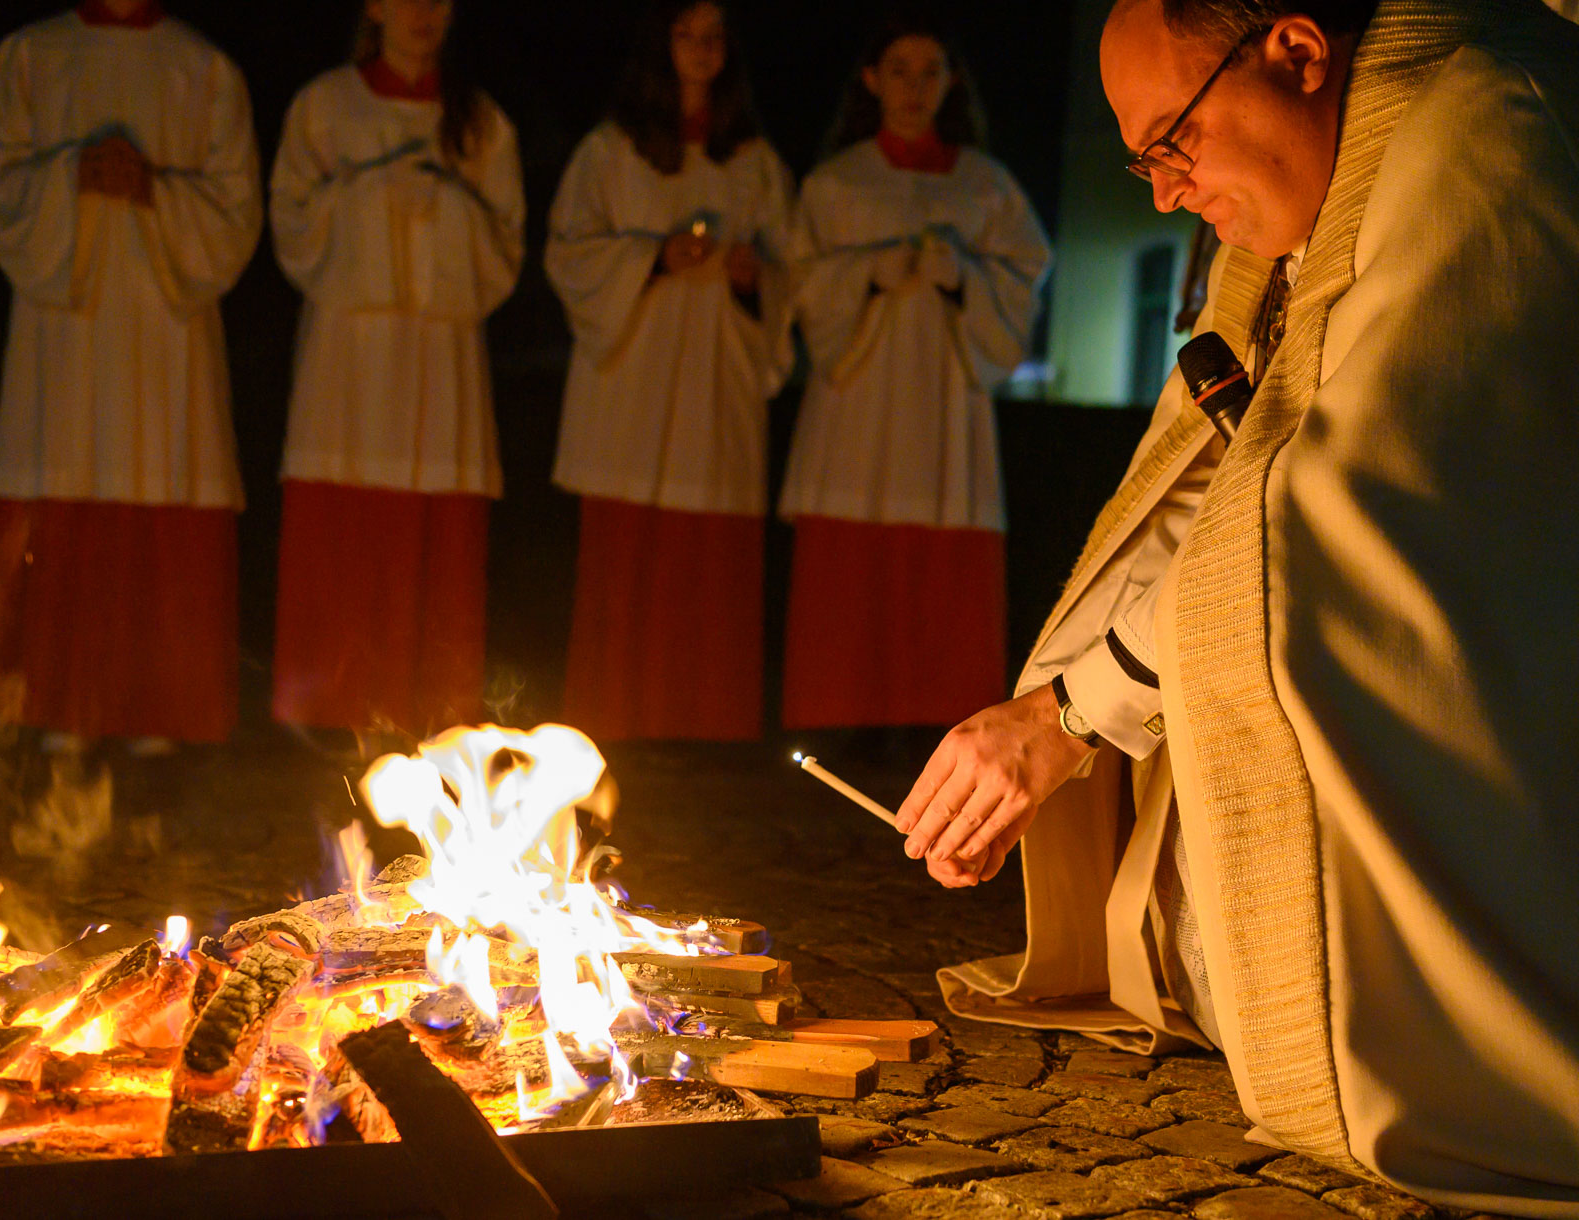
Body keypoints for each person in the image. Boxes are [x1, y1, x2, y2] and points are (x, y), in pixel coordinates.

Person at [894, 0, 1579, 1209]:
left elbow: (1333, 518)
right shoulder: (1292, 210)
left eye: (1173, 144)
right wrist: (1047, 713)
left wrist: (1067, 718)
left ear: (1299, 53)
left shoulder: (1485, 129)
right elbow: (1213, 487)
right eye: (1142, 161)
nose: (1163, 194)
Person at [0, 0, 260, 752]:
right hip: (63, 328)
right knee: (64, 464)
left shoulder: (203, 70)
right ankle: (59, 706)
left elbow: (236, 215)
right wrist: (71, 177)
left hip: (166, 325)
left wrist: (154, 190)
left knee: (162, 473)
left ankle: (157, 709)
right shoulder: (29, 57)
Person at [778, 12, 1051, 731]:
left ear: (951, 82)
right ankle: (835, 718)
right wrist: (868, 271)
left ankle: (941, 723)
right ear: (871, 80)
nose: (914, 87)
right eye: (899, 70)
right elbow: (797, 281)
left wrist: (964, 278)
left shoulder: (987, 188)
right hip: (855, 412)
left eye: (930, 71)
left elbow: (1027, 272)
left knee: (943, 548)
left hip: (945, 410)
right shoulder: (837, 184)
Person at [269, 0, 524, 742]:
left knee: (436, 526)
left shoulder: (479, 121)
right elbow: (291, 222)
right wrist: (376, 196)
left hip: (442, 359)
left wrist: (442, 205)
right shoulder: (325, 106)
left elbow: (504, 248)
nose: (424, 13)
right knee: (346, 525)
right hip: (350, 358)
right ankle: (332, 709)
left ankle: (436, 714)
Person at [547, 0, 792, 742]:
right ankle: (611, 720)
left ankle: (702, 723)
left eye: (715, 37)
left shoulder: (754, 163)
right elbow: (569, 251)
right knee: (627, 557)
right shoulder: (612, 150)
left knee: (705, 563)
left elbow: (794, 272)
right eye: (685, 35)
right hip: (636, 381)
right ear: (660, 45)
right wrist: (651, 257)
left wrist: (754, 278)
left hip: (716, 380)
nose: (700, 51)